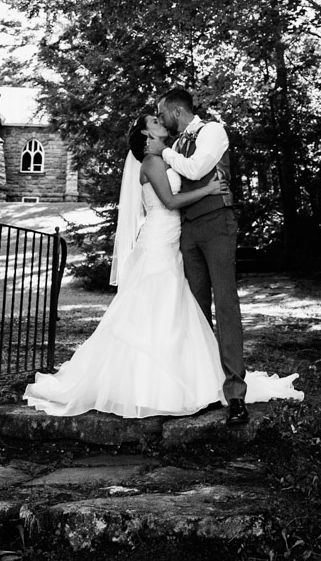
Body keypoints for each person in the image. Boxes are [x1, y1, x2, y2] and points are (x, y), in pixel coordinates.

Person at [22, 109, 301, 419]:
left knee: (174, 308)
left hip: (174, 238)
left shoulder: (167, 156)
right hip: (158, 239)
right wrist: (209, 190)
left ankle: (189, 378)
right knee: (157, 304)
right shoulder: (152, 162)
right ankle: (148, 384)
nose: (160, 122)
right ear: (146, 134)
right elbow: (169, 201)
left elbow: (189, 173)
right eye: (154, 122)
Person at [152, 86, 248, 422]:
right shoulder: (176, 144)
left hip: (217, 223)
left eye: (162, 113)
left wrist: (164, 152)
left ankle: (235, 395)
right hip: (187, 230)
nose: (161, 119)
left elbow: (194, 170)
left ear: (176, 111)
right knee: (195, 310)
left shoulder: (213, 131)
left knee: (225, 304)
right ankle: (203, 388)